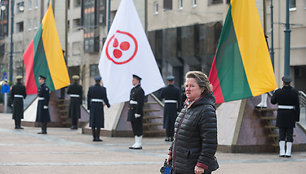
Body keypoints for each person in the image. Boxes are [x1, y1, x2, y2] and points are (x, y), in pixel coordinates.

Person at [167, 71, 218, 174]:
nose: (188, 89)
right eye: (186, 86)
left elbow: (210, 142)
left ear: (202, 89)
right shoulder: (187, 106)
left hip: (194, 167)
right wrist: (171, 152)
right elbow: (179, 133)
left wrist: (202, 164)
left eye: (192, 86)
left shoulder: (206, 110)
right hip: (180, 163)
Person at [271, 75, 300, 158]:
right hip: (291, 114)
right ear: (290, 83)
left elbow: (273, 101)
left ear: (283, 82)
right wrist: (296, 118)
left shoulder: (279, 92)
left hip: (281, 114)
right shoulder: (294, 92)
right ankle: (288, 152)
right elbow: (297, 106)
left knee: (282, 133)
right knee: (290, 133)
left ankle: (282, 152)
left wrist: (274, 93)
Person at [87, 76, 110, 142]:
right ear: (100, 81)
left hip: (93, 106)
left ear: (95, 81)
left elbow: (88, 98)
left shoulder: (91, 88)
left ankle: (94, 137)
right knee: (99, 121)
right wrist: (108, 105)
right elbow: (105, 98)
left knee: (93, 121)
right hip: (99, 106)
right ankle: (97, 136)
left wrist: (89, 107)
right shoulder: (103, 89)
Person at [160, 75, 181, 142]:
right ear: (173, 81)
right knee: (173, 121)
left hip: (167, 106)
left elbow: (160, 96)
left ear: (168, 82)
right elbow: (179, 100)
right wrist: (179, 109)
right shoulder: (177, 89)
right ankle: (172, 136)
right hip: (173, 106)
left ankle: (167, 136)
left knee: (167, 121)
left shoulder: (164, 89)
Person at [128, 74, 145, 150]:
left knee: (138, 127)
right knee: (134, 126)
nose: (132, 81)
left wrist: (138, 112)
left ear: (138, 81)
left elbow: (140, 102)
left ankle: (139, 143)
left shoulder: (140, 90)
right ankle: (136, 142)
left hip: (137, 111)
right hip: (132, 110)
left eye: (134, 80)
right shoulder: (133, 89)